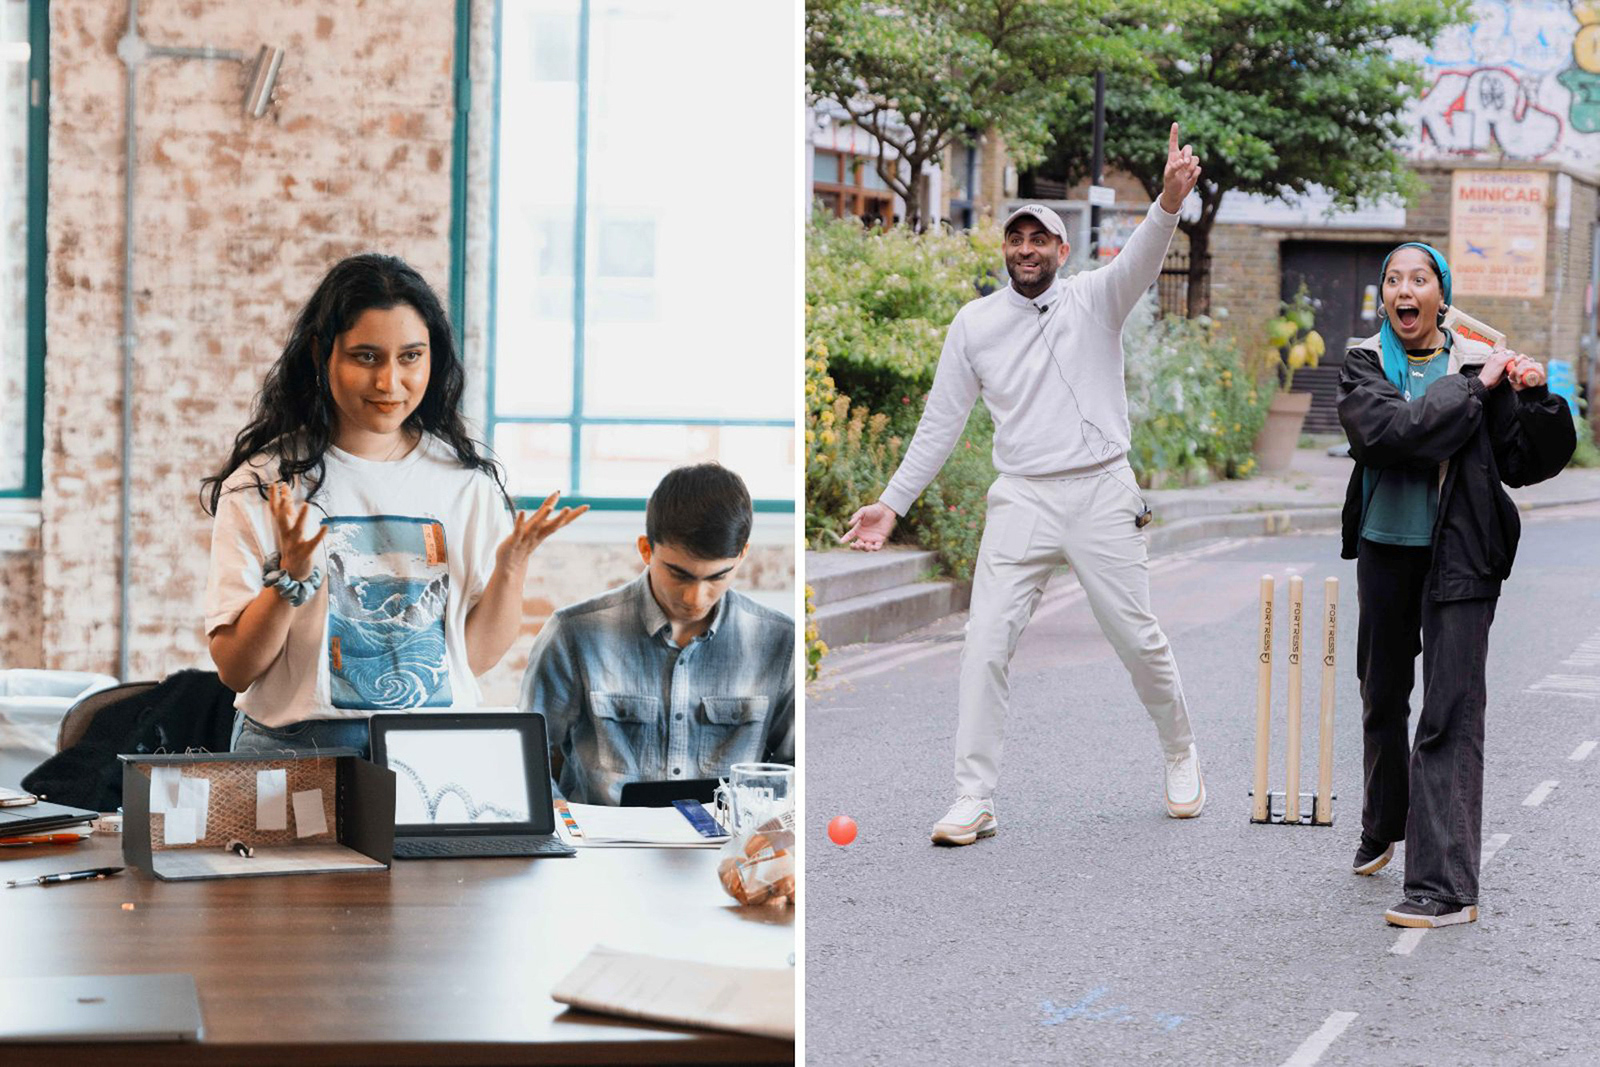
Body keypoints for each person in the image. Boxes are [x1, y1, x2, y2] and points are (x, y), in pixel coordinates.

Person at [842, 122, 1207, 843]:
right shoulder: (974, 325)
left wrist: (1167, 201)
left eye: (1039, 239)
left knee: (1137, 638)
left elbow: (1143, 253)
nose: (1026, 249)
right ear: (1005, 248)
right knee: (984, 641)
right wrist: (890, 503)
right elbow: (939, 423)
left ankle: (1180, 751)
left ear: (1061, 251)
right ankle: (972, 796)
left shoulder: (1097, 298)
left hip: (1102, 489)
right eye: (1016, 238)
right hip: (1023, 496)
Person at [202, 254, 584, 757]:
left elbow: (470, 657)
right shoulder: (264, 484)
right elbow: (236, 669)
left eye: (410, 357)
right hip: (296, 750)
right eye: (365, 357)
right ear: (322, 354)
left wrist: (512, 566)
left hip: (432, 752)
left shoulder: (465, 485)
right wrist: (290, 580)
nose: (389, 382)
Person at [1337, 242, 1573, 928]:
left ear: (1441, 294)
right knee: (1381, 695)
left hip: (1463, 554)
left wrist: (1533, 398)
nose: (1403, 290)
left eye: (1418, 279)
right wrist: (1474, 390)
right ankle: (1385, 821)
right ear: (1383, 297)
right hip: (1386, 549)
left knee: (1450, 712)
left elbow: (1525, 464)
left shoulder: (1480, 361)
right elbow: (1391, 434)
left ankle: (1444, 887)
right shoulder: (1363, 362)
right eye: (1392, 280)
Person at [521, 463, 794, 805]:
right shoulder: (574, 633)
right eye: (679, 575)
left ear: (742, 556)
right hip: (603, 851)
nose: (695, 598)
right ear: (645, 550)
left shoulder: (779, 642)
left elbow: (793, 769)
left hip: (728, 852)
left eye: (716, 577)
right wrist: (560, 819)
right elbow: (524, 759)